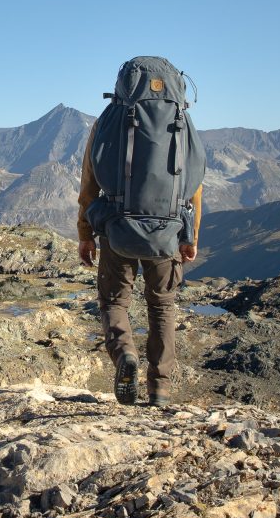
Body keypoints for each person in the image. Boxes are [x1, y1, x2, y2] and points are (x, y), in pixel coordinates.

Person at [77, 120, 202, 407]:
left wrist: (85, 234)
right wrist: (191, 236)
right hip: (167, 230)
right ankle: (159, 389)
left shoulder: (109, 119)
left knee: (114, 301)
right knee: (162, 305)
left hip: (117, 226)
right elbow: (194, 181)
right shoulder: (179, 118)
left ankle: (125, 354)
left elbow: (90, 179)